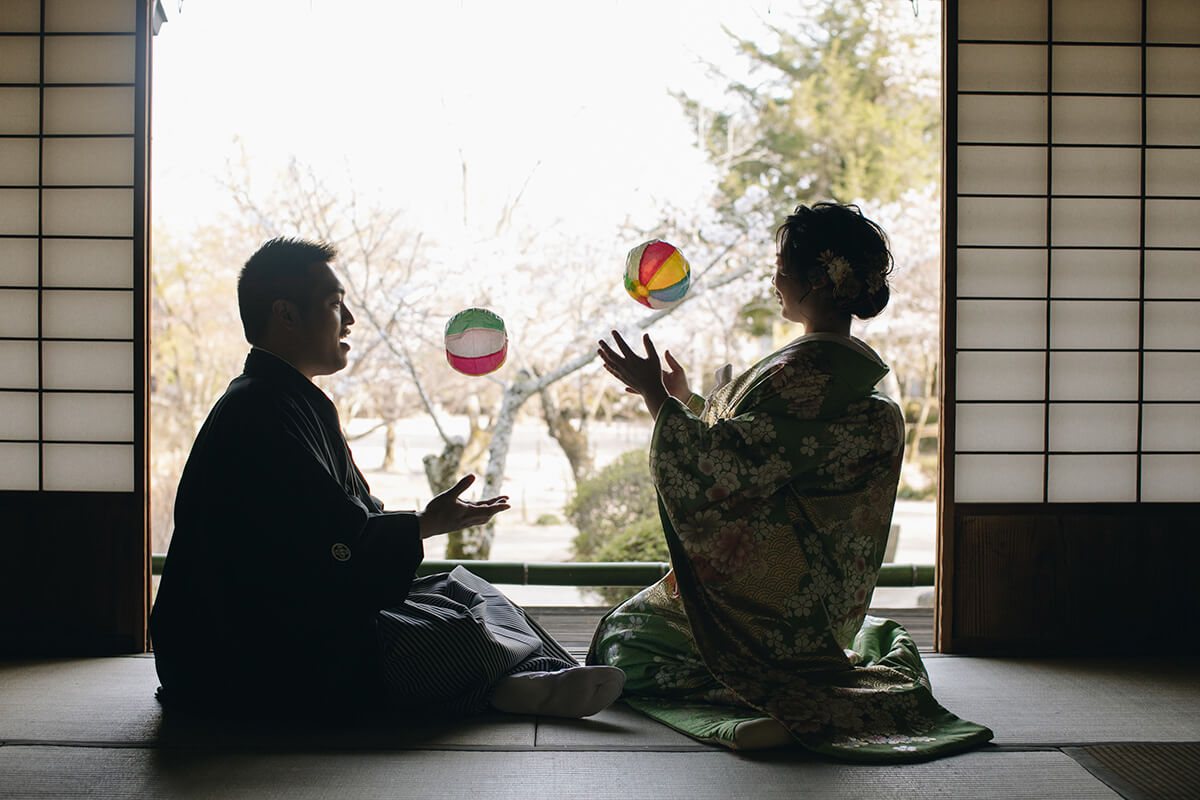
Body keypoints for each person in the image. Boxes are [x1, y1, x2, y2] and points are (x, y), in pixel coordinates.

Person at [150, 237, 623, 721]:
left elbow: (348, 526)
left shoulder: (286, 398)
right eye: (336, 305)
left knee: (468, 590)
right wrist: (423, 524)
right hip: (245, 654)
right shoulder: (258, 411)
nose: (350, 320)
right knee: (450, 633)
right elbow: (330, 544)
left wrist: (423, 522)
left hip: (297, 612)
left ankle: (528, 681)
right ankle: (514, 686)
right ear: (286, 315)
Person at [589, 203, 992, 761]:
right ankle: (784, 697)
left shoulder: (805, 371)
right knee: (877, 635)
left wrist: (658, 398)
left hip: (774, 602)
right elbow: (761, 448)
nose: (773, 279)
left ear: (819, 282)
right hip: (821, 596)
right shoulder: (840, 371)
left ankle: (764, 707)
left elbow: (719, 468)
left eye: (781, 266)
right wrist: (683, 399)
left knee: (623, 640)